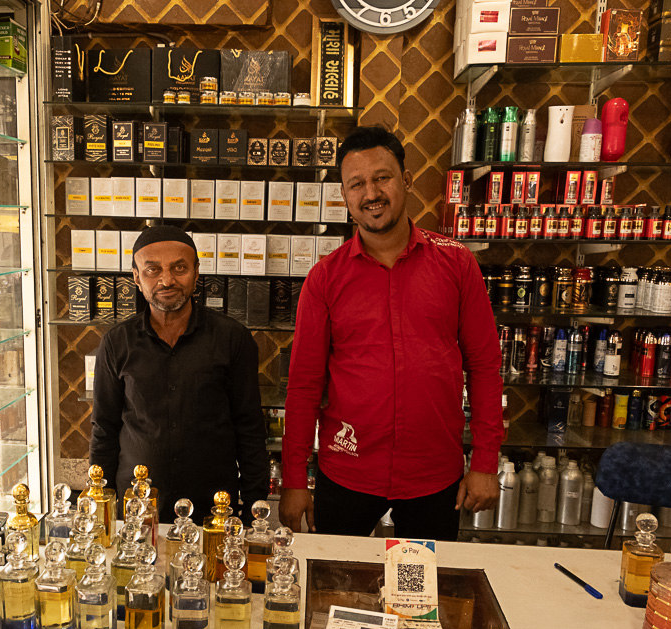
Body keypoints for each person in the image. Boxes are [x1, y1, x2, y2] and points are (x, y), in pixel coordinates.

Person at [279, 126, 502, 541]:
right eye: (357, 184)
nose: (371, 193)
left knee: (425, 581)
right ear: (344, 196)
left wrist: (486, 462)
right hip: (347, 467)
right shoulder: (324, 278)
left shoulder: (457, 264)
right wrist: (294, 479)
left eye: (382, 178)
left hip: (433, 473)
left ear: (406, 180)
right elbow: (304, 386)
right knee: (338, 576)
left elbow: (485, 367)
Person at [89, 225, 269, 524]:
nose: (167, 280)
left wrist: (254, 504)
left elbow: (249, 427)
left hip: (214, 507)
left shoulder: (232, 338)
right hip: (138, 505)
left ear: (197, 273)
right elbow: (104, 429)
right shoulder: (117, 342)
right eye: (153, 270)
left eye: (179, 268)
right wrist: (100, 506)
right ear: (137, 277)